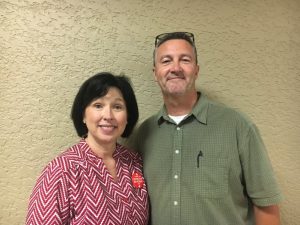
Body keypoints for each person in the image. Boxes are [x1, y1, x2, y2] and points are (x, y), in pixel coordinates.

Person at [130, 32, 283, 225]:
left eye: (185, 60)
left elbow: (266, 207)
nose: (175, 68)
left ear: (196, 70)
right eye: (166, 61)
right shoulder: (144, 134)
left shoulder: (238, 127)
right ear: (155, 73)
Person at [26, 72, 149, 225]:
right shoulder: (61, 170)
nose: (108, 115)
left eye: (117, 107)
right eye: (98, 105)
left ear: (128, 116)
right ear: (83, 114)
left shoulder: (134, 161)